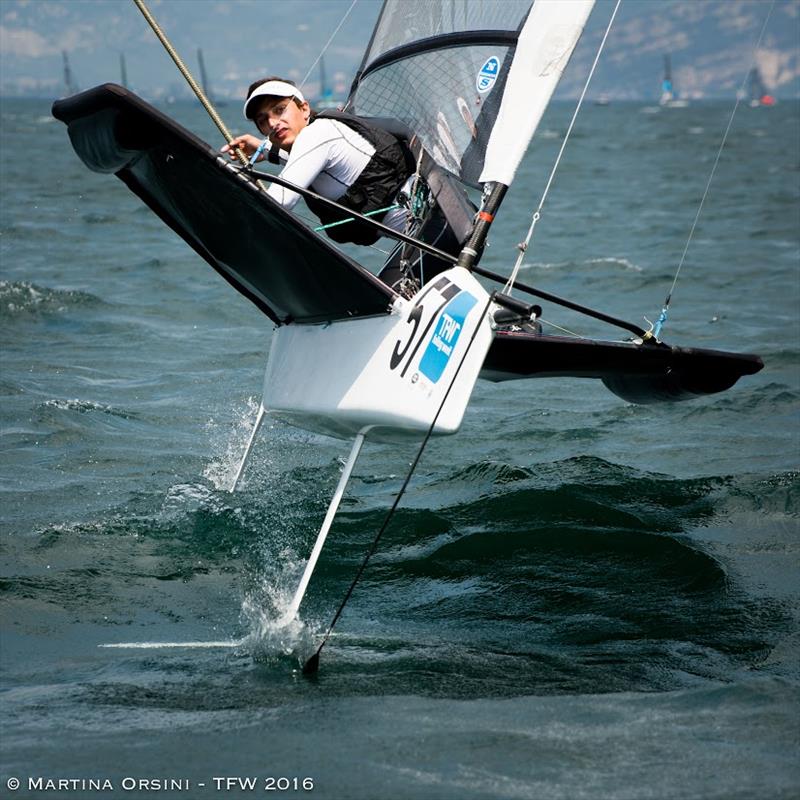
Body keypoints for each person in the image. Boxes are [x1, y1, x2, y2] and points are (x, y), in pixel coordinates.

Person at [222, 77, 415, 246]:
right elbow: (295, 159)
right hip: (416, 233)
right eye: (263, 120)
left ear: (304, 108)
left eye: (279, 110)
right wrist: (261, 147)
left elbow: (278, 202)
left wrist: (223, 221)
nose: (273, 123)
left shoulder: (317, 134)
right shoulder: (317, 138)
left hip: (435, 224)